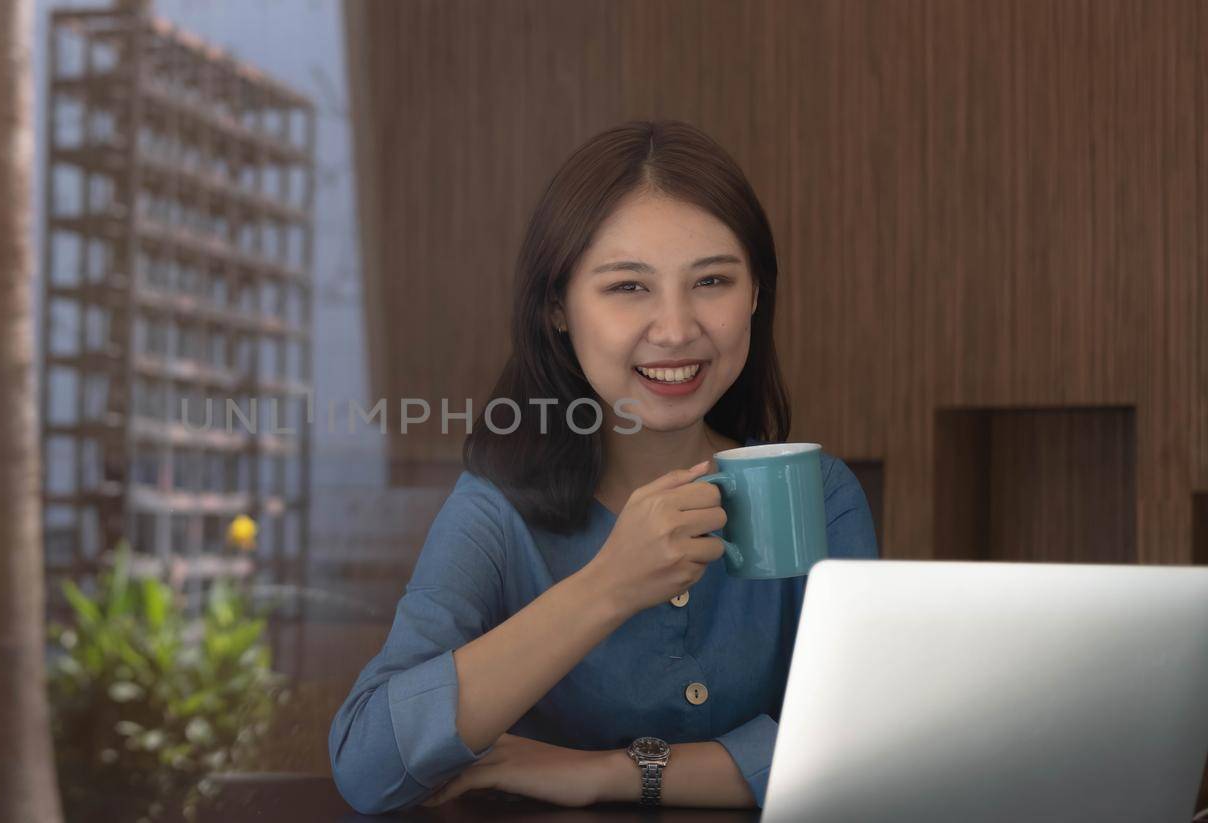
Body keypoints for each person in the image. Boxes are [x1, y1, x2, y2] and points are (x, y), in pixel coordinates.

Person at [328, 120, 879, 815]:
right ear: (557, 306)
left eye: (711, 280)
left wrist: (604, 772)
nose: (676, 328)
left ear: (757, 294)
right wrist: (606, 588)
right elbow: (367, 762)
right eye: (628, 288)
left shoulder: (819, 495)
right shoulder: (496, 511)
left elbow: (857, 748)